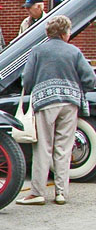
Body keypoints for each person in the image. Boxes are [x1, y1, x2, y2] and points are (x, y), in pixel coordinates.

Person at [16, 15, 96, 205]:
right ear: (63, 33)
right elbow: (90, 79)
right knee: (63, 148)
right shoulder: (74, 52)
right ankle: (61, 193)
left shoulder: (38, 51)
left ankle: (37, 193)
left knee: (43, 147)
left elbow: (26, 80)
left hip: (45, 102)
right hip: (70, 103)